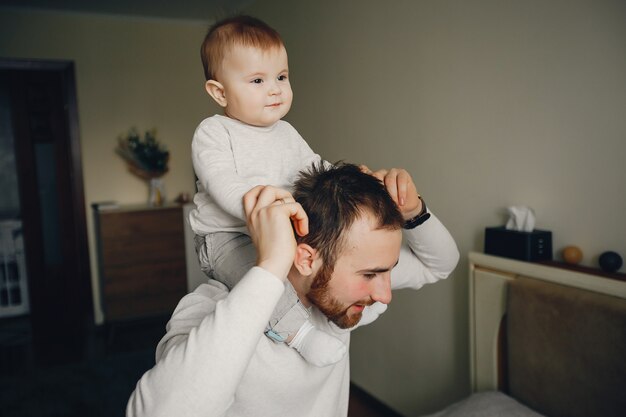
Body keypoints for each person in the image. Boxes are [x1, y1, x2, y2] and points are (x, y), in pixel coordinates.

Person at [127, 162, 460, 417]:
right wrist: (271, 266)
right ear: (305, 259)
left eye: (387, 272)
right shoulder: (212, 309)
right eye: (371, 274)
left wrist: (414, 211)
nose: (385, 296)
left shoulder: (339, 294)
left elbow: (440, 265)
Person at [189, 15, 345, 367]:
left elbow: (315, 168)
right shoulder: (214, 133)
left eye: (282, 77)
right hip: (227, 236)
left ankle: (325, 308)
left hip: (279, 231)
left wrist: (346, 180)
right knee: (260, 278)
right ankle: (299, 336)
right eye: (258, 80)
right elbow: (224, 185)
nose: (275, 88)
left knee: (319, 261)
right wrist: (269, 205)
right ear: (219, 92)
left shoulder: (286, 132)